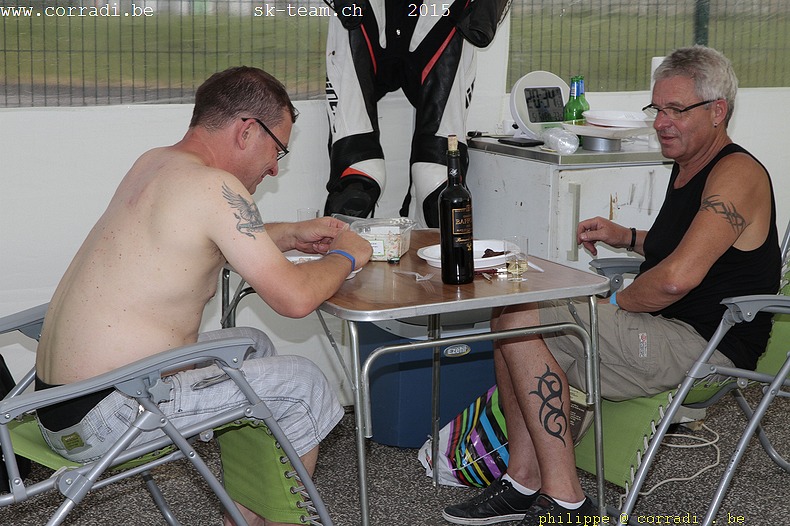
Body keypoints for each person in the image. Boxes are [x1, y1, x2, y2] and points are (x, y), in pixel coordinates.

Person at [442, 45, 781, 525]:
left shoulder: (736, 173)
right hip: (666, 331)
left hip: (707, 345)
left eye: (676, 110)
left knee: (521, 314)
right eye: (656, 109)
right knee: (511, 316)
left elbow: (676, 279)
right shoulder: (689, 164)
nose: (661, 122)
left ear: (717, 111)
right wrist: (629, 237)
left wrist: (614, 301)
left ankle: (567, 501)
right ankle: (523, 481)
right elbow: (696, 248)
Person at [34, 66, 373, 526]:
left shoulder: (156, 163)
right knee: (301, 384)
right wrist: (349, 255)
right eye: (278, 149)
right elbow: (295, 299)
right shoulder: (214, 187)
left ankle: (245, 516)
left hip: (56, 407)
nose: (275, 167)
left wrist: (291, 234)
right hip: (112, 414)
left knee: (253, 347)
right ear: (247, 130)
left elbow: (198, 240)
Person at [323, 0, 510, 227]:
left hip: (437, 15)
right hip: (392, 12)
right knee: (359, 177)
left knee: (437, 180)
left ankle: (420, 242)